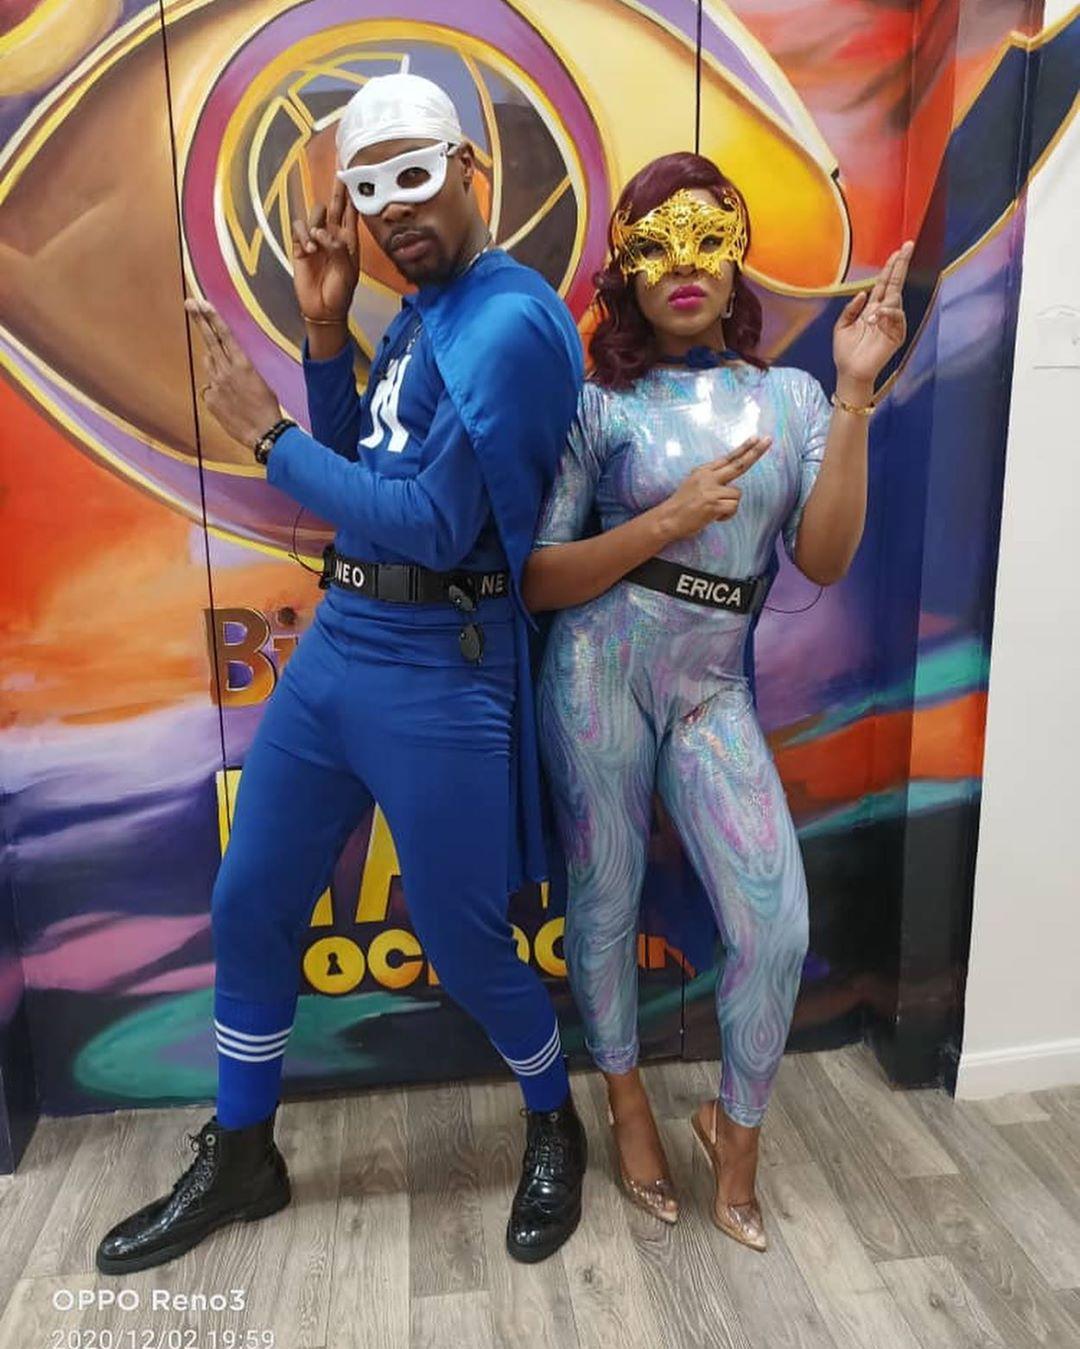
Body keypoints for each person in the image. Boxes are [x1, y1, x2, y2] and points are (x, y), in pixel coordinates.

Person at [95, 65, 587, 1274]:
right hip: (342, 646)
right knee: (251, 898)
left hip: (441, 663)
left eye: (415, 176)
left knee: (466, 944)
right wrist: (326, 333)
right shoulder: (425, 308)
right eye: (371, 190)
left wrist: (259, 432)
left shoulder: (511, 319)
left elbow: (434, 525)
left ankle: (553, 1115)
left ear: (471, 170)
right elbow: (364, 470)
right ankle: (244, 1152)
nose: (395, 209)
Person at [524, 152, 911, 1249]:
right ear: (627, 271)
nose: (683, 264)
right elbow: (539, 578)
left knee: (774, 927)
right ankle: (625, 1098)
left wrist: (854, 391)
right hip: (596, 672)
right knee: (604, 898)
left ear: (738, 255)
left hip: (710, 689)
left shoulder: (790, 398)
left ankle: (735, 1131)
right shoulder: (598, 405)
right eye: (656, 245)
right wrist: (665, 518)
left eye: (706, 238)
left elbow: (824, 557)